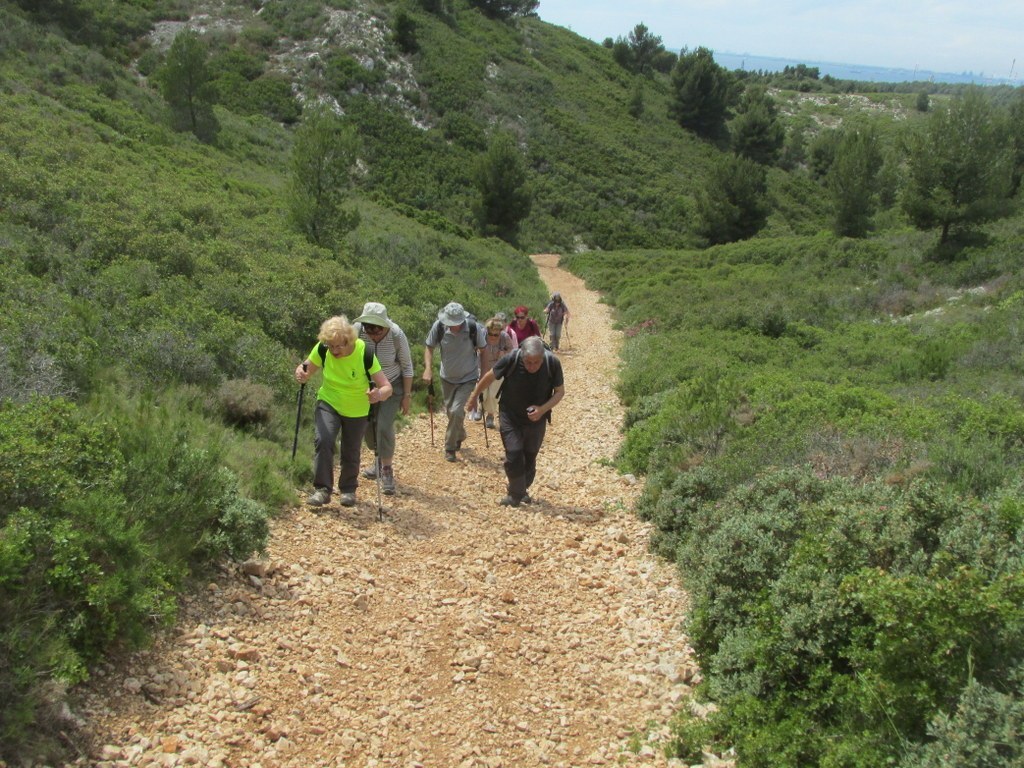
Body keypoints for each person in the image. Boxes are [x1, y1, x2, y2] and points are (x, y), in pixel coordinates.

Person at [295, 316, 393, 507]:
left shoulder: (365, 353)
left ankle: (348, 489)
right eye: (331, 346)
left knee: (351, 449)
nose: (334, 350)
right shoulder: (323, 348)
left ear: (349, 340)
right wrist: (301, 373)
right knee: (324, 440)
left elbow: (386, 387)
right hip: (328, 402)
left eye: (338, 346)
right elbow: (306, 367)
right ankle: (322, 489)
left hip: (357, 409)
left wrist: (377, 395)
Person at [466, 336, 564, 507]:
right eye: (528, 362)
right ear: (522, 355)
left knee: (529, 456)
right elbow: (490, 376)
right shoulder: (512, 358)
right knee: (514, 452)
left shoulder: (552, 363)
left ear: (543, 357)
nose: (531, 366)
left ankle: (521, 489)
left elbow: (559, 392)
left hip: (537, 418)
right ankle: (515, 495)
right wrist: (474, 396)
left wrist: (542, 410)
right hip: (510, 414)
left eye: (536, 362)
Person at [354, 302, 413, 496]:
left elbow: (407, 366)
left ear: (385, 325)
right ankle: (378, 459)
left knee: (384, 426)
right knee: (368, 432)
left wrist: (406, 395)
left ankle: (387, 470)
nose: (372, 333)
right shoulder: (357, 331)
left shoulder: (397, 335)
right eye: (367, 328)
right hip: (366, 387)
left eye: (377, 329)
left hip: (392, 385)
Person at [423, 302, 486, 462]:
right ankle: (460, 433)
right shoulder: (439, 327)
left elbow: (483, 351)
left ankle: (450, 447)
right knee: (451, 412)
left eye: (456, 323)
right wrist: (428, 369)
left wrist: (484, 375)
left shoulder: (473, 328)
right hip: (447, 377)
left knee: (456, 410)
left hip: (468, 377)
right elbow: (429, 347)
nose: (453, 326)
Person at [480, 317, 515, 430]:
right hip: (482, 366)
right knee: (482, 391)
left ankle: (490, 416)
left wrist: (504, 353)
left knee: (493, 394)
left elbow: (512, 350)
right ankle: (481, 408)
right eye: (491, 334)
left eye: (496, 334)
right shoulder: (482, 335)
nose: (493, 337)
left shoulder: (505, 337)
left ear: (500, 332)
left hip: (498, 368)